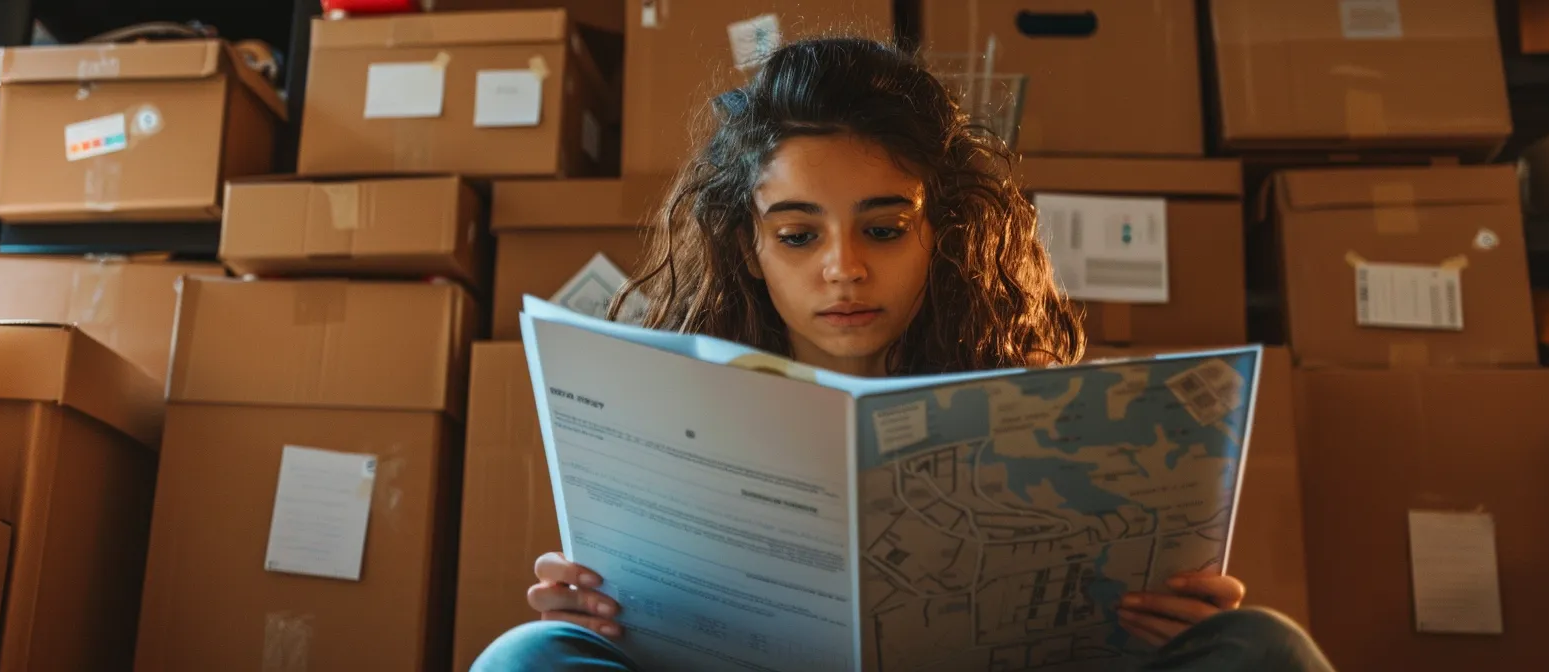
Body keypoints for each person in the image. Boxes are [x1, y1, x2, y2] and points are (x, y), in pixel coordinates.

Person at [474, 37, 1332, 672]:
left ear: (938, 235)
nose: (843, 268)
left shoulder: (1038, 412)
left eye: (883, 229)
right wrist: (590, 608)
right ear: (749, 249)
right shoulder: (671, 408)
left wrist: (1179, 621)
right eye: (799, 235)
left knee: (1258, 645)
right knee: (528, 656)